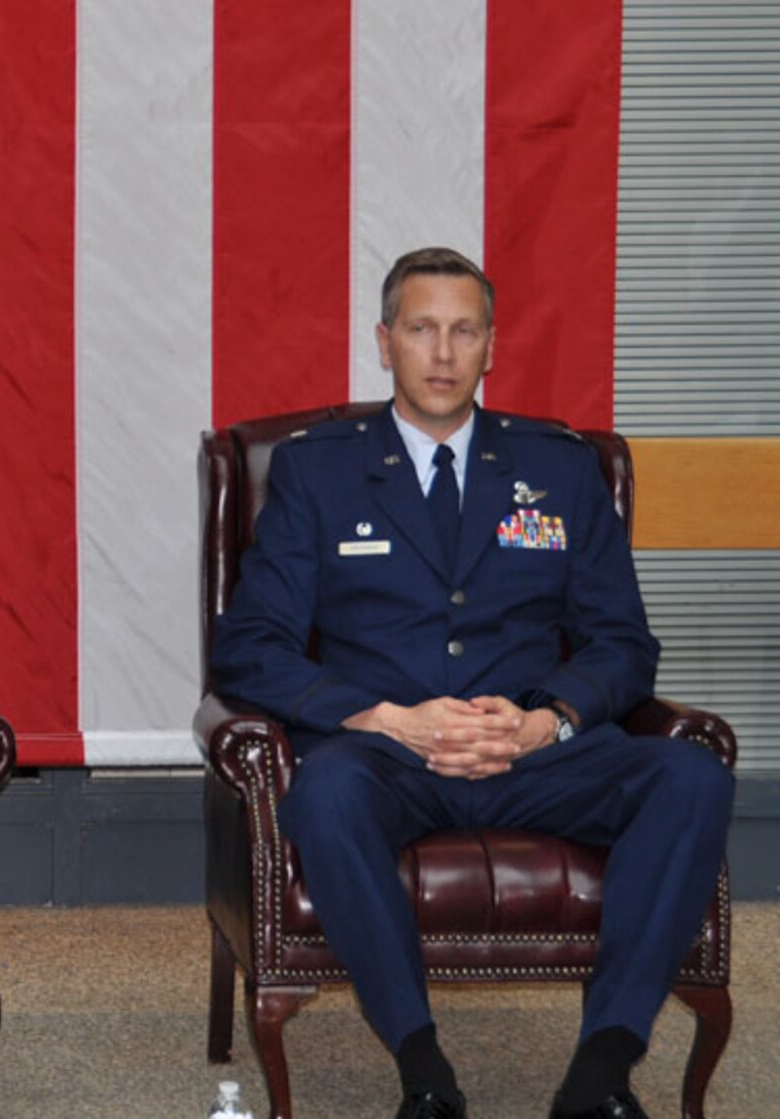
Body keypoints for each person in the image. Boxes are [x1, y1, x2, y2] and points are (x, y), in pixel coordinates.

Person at [210, 246, 733, 1119]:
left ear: (492, 345)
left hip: (531, 751)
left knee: (691, 776)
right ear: (384, 343)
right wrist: (382, 717)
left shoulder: (561, 469)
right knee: (326, 792)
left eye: (464, 331)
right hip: (389, 755)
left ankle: (602, 1069)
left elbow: (622, 644)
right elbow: (251, 646)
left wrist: (548, 720)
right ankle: (423, 1070)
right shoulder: (320, 469)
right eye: (422, 330)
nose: (443, 354)